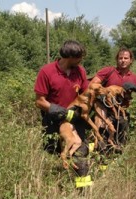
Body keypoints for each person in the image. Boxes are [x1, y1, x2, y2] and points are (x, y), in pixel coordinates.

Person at [33, 40, 92, 188]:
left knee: (79, 152)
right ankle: (57, 186)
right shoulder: (46, 72)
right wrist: (62, 113)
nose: (81, 61)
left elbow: (85, 93)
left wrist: (81, 110)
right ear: (69, 57)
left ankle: (82, 189)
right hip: (53, 119)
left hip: (75, 119)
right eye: (79, 57)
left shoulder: (80, 71)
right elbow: (40, 101)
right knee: (53, 152)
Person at [89, 47, 136, 153]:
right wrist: (102, 93)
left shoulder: (134, 78)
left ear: (131, 60)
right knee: (102, 137)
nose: (123, 60)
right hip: (105, 109)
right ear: (117, 59)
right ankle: (100, 157)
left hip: (121, 112)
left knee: (120, 142)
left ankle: (116, 159)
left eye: (126, 58)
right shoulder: (109, 71)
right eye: (121, 58)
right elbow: (92, 84)